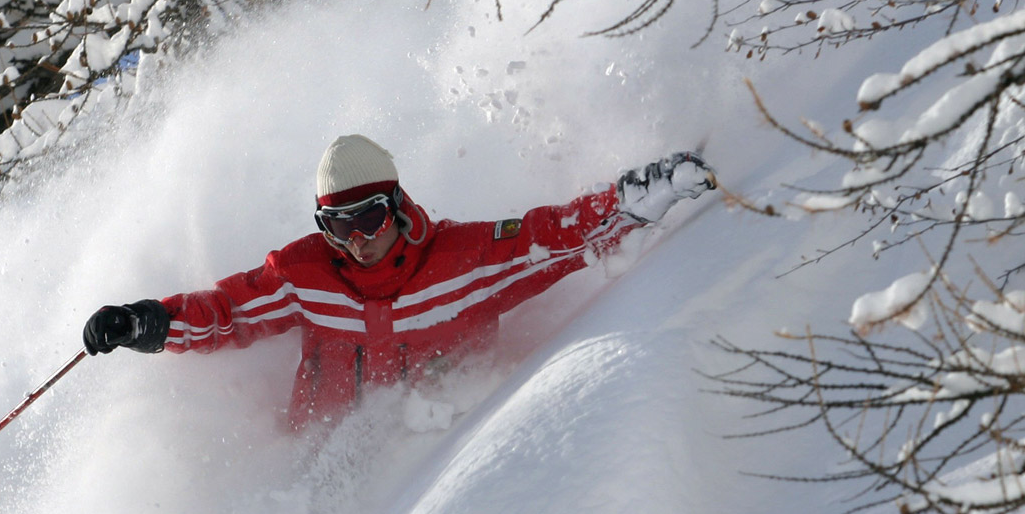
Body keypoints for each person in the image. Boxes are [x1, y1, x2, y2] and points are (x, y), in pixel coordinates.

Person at [83, 134, 714, 431]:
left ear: (398, 206)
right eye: (337, 225)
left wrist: (637, 198)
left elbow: (555, 237)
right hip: (318, 456)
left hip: (434, 452)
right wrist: (149, 322)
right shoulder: (305, 276)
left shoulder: (462, 262)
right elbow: (229, 313)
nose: (357, 239)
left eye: (370, 218)